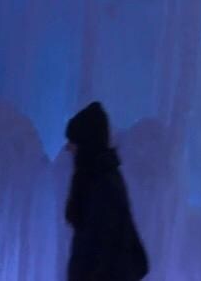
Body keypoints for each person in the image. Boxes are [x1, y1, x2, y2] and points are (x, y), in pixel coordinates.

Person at [64, 101, 150, 281]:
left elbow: (105, 253)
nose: (68, 148)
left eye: (74, 142)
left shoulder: (102, 185)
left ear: (86, 145)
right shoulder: (96, 181)